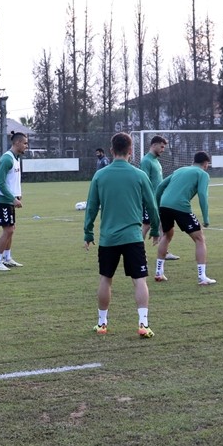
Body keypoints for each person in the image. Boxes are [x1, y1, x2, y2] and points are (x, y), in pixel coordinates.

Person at [83, 132, 161, 338]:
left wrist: (88, 232)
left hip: (108, 238)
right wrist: (155, 229)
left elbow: (91, 207)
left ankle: (102, 323)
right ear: (130, 150)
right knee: (139, 280)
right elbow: (152, 205)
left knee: (105, 279)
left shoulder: (100, 175)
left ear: (111, 150)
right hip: (133, 238)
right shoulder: (139, 175)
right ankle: (143, 324)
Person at [153, 151, 216, 285]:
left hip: (164, 205)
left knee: (167, 236)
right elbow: (202, 195)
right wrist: (206, 218)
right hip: (181, 207)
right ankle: (202, 277)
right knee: (199, 239)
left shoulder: (180, 170)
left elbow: (160, 187)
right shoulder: (203, 174)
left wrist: (158, 206)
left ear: (194, 161)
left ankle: (159, 273)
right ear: (206, 163)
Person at [0, 131, 29, 271]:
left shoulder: (16, 158)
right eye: (25, 143)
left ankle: (7, 258)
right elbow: (0, 183)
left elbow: (12, 181)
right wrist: (12, 199)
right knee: (7, 230)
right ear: (17, 143)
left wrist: (18, 195)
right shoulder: (7, 159)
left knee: (11, 230)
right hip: (3, 200)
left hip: (9, 200)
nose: (26, 146)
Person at [139, 135, 178, 261]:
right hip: (150, 200)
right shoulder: (146, 161)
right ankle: (137, 252)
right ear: (153, 145)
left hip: (159, 199)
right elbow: (144, 181)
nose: (163, 149)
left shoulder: (156, 161)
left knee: (162, 225)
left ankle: (164, 252)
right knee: (147, 225)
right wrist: (148, 199)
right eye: (161, 147)